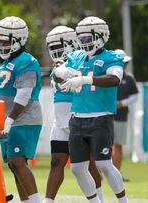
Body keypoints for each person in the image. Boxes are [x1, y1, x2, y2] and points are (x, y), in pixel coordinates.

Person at [56, 16, 128, 203]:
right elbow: (58, 75)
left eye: (89, 38)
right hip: (77, 118)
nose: (85, 42)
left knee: (104, 164)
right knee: (77, 169)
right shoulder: (76, 56)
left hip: (100, 118)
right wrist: (59, 73)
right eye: (82, 38)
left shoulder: (111, 57)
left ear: (102, 36)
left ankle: (123, 201)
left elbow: (114, 80)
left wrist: (86, 80)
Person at [43, 25, 103, 203]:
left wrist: (66, 71)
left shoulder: (82, 61)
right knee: (56, 162)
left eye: (59, 46)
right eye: (52, 47)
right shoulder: (59, 65)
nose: (56, 51)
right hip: (60, 121)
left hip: (79, 117)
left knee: (89, 164)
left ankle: (99, 200)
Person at [0, 16, 42, 203]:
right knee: (14, 164)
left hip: (23, 119)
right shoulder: (2, 63)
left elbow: (23, 96)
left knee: (17, 161)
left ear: (19, 40)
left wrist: (8, 121)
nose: (1, 44)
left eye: (6, 41)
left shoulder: (26, 61)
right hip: (10, 120)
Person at [112, 49, 138, 182]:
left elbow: (135, 96)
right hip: (106, 116)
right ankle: (101, 174)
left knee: (118, 145)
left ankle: (116, 175)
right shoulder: (108, 76)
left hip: (121, 116)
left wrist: (122, 103)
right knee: (104, 145)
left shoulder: (129, 78)